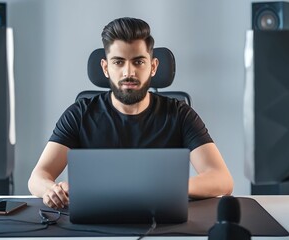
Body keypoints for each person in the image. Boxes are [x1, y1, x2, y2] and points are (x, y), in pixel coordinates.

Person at [28, 17, 233, 209]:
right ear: (106, 67)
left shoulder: (180, 114)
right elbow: (37, 177)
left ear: (152, 66)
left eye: (138, 62)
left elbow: (221, 179)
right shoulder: (79, 114)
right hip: (94, 222)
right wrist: (52, 190)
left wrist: (168, 188)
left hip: (160, 222)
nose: (129, 72)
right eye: (118, 62)